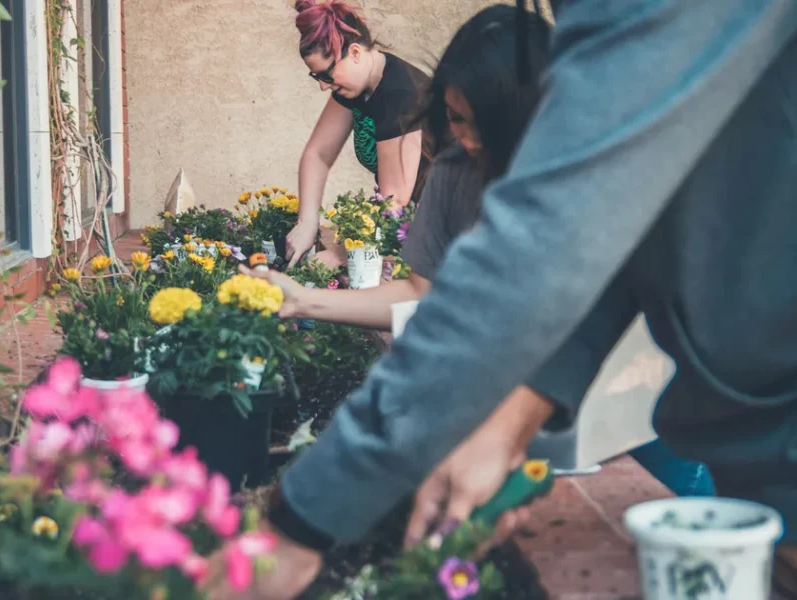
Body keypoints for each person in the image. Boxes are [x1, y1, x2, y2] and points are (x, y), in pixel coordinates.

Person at [203, 0, 797, 597]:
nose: (463, 141)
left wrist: (303, 519)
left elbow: (543, 249)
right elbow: (603, 248)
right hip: (747, 423)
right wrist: (512, 423)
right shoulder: (466, 159)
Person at [252, 4, 717, 499]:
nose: (466, 141)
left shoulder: (594, 170)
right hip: (542, 415)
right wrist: (303, 299)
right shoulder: (453, 172)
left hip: (650, 405)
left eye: (481, 124)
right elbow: (419, 294)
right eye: (454, 119)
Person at [285, 0, 432, 270]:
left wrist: (340, 254)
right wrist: (307, 222)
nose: (322, 86)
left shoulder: (399, 96)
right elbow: (318, 154)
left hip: (444, 227)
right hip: (406, 228)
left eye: (326, 75)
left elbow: (394, 203)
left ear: (354, 52)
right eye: (315, 76)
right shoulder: (356, 88)